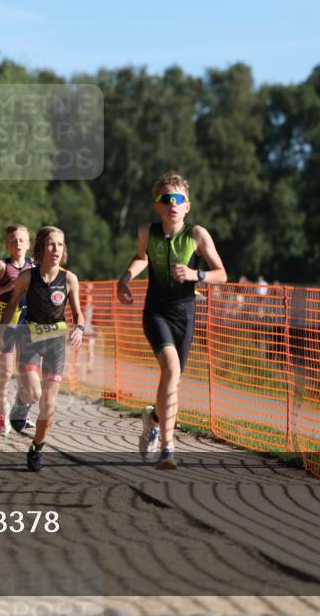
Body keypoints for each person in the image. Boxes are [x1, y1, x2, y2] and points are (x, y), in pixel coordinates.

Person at [116, 172, 227, 469]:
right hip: (156, 311)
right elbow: (141, 258)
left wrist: (196, 275)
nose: (172, 204)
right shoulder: (147, 232)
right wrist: (125, 279)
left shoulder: (197, 235)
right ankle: (167, 446)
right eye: (166, 199)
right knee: (171, 368)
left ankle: (152, 420)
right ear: (157, 205)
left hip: (185, 312)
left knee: (172, 379)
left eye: (178, 199)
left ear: (187, 206)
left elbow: (222, 274)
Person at [0, 226, 85, 472]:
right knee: (34, 393)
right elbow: (11, 307)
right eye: (51, 245)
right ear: (41, 248)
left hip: (56, 345)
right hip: (31, 340)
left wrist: (79, 329)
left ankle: (37, 447)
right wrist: (0, 335)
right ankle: (21, 405)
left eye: (61, 245)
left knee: (49, 403)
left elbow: (78, 314)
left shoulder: (69, 279)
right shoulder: (26, 278)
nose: (56, 250)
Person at [0, 225, 34, 436]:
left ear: (28, 244)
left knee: (27, 373)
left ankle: (20, 412)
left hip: (28, 322)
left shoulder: (34, 265)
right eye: (13, 241)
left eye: (22, 240)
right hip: (7, 323)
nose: (18, 244)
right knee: (6, 372)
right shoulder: (2, 265)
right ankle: (2, 411)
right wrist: (7, 288)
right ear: (7, 245)